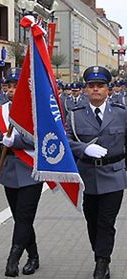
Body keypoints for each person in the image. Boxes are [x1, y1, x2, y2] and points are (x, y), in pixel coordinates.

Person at [66, 66, 127, 279]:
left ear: (107, 90)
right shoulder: (75, 116)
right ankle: (99, 254)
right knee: (92, 221)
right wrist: (83, 149)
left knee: (106, 222)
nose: (95, 90)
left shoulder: (121, 113)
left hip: (114, 175)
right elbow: (65, 141)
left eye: (100, 86)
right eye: (91, 86)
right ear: (85, 90)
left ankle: (103, 262)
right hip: (88, 175)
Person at [0, 68, 43, 277]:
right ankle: (34, 255)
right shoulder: (0, 111)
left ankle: (13, 258)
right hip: (10, 171)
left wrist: (18, 140)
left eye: (16, 86)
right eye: (9, 86)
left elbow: (43, 138)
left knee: (24, 216)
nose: (12, 90)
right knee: (20, 217)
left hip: (31, 169)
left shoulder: (37, 110)